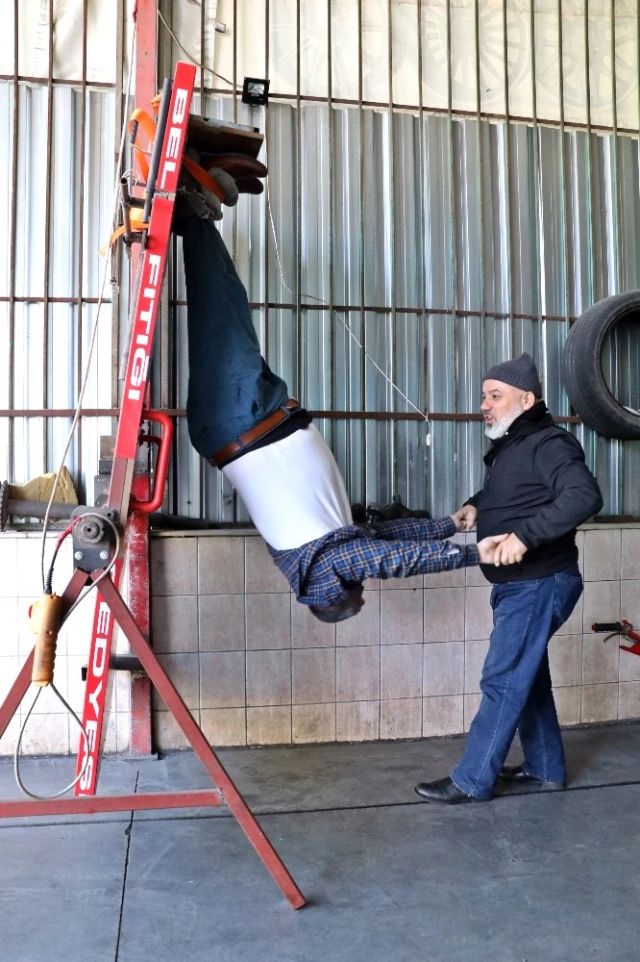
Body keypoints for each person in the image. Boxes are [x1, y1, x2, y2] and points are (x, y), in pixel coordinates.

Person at [174, 198, 507, 623]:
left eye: (357, 588)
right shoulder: (328, 551)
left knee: (220, 311)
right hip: (249, 421)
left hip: (241, 422)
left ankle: (191, 216)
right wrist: (450, 526)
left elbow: (391, 561)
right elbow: (384, 539)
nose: (362, 581)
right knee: (227, 309)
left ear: (333, 593)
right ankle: (198, 220)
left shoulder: (321, 571)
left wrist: (472, 557)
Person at [414, 353, 603, 803]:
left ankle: (472, 779)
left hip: (539, 579)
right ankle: (544, 768)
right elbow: (515, 491)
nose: (486, 404)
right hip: (521, 583)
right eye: (484, 396)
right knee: (526, 673)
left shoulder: (550, 443)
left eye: (495, 396)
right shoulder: (514, 445)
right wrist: (477, 504)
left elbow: (584, 495)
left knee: (503, 678)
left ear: (526, 398)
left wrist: (526, 535)